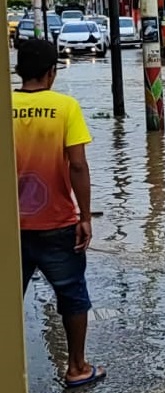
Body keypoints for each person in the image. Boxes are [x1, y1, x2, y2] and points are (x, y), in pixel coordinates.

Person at [12, 40, 106, 388]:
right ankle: (77, 367)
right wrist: (85, 216)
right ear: (52, 72)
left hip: (11, 227)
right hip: (57, 223)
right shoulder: (65, 107)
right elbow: (78, 166)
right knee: (72, 295)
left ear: (20, 70)